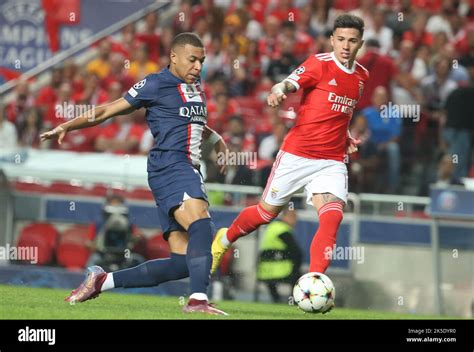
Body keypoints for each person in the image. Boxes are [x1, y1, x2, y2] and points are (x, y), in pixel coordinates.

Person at [41, 33, 229, 315]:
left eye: (201, 60)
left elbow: (195, 123)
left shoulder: (196, 86)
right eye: (192, 60)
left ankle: (102, 281)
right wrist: (68, 125)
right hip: (171, 166)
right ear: (173, 57)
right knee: (202, 225)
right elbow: (107, 110)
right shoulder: (154, 83)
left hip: (187, 169)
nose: (198, 67)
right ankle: (198, 300)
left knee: (181, 263)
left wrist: (218, 142)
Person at [211, 15, 369, 304]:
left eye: (352, 40)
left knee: (332, 216)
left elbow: (339, 113)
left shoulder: (361, 77)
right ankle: (223, 239)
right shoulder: (318, 63)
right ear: (332, 39)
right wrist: (278, 91)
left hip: (331, 160)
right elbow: (287, 83)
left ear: (360, 43)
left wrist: (345, 137)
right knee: (264, 214)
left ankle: (313, 284)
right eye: (341, 39)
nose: (346, 45)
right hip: (297, 154)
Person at [86, 194, 145, 272]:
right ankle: (89, 283)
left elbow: (137, 237)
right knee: (93, 261)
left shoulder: (129, 225)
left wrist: (135, 238)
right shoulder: (98, 225)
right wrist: (96, 245)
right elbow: (88, 243)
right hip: (103, 255)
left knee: (139, 260)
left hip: (124, 255)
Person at [257, 207, 301, 303]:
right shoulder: (282, 230)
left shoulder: (272, 227)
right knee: (299, 274)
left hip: (265, 270)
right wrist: (296, 267)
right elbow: (296, 251)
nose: (295, 220)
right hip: (279, 269)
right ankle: (295, 301)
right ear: (285, 217)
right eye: (293, 217)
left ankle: (276, 300)